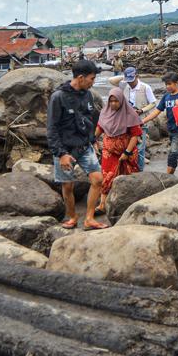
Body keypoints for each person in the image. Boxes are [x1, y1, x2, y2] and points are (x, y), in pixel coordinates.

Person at [47, 59, 106, 230]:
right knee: (68, 185)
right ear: (80, 77)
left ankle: (89, 218)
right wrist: (61, 154)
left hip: (84, 146)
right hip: (65, 150)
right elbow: (52, 128)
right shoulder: (58, 97)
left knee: (98, 179)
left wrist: (93, 140)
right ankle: (72, 217)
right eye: (92, 78)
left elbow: (89, 119)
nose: (93, 82)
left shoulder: (87, 95)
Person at [93, 88, 143, 216]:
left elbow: (135, 135)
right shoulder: (105, 113)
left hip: (127, 152)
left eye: (116, 101)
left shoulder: (130, 114)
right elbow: (100, 127)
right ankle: (103, 204)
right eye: (111, 101)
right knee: (106, 176)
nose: (113, 104)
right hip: (109, 152)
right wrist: (92, 140)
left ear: (121, 101)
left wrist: (126, 153)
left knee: (127, 176)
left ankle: (128, 203)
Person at [141, 72, 178, 175]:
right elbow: (157, 111)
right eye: (166, 84)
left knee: (172, 155)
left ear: (177, 83)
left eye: (169, 84)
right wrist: (142, 121)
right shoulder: (166, 96)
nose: (167, 86)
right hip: (171, 130)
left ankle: (167, 180)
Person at [108, 66, 157, 170]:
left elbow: (153, 103)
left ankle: (139, 169)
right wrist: (125, 77)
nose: (130, 83)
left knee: (140, 148)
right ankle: (130, 169)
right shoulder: (124, 86)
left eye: (132, 80)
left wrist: (141, 110)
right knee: (127, 146)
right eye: (128, 80)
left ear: (137, 76)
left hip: (141, 121)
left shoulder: (145, 87)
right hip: (126, 122)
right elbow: (111, 80)